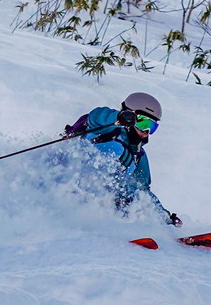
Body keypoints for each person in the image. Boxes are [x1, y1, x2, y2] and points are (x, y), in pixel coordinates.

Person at [64, 91, 182, 227]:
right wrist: (118, 117)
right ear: (130, 116)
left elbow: (143, 190)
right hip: (73, 179)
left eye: (152, 127)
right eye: (143, 123)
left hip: (104, 201)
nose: (146, 131)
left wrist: (163, 215)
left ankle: (134, 226)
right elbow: (95, 116)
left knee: (134, 193)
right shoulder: (108, 128)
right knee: (117, 148)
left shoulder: (138, 154)